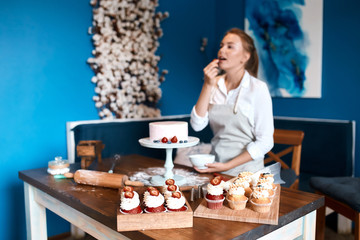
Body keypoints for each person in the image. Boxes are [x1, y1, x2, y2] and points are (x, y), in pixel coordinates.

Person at [190, 28, 274, 176]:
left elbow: (265, 142)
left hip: (247, 174)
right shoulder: (213, 84)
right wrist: (207, 85)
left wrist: (227, 166)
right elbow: (197, 125)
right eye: (221, 46)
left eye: (230, 46)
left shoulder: (258, 89)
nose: (222, 50)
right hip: (215, 168)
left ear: (245, 57)